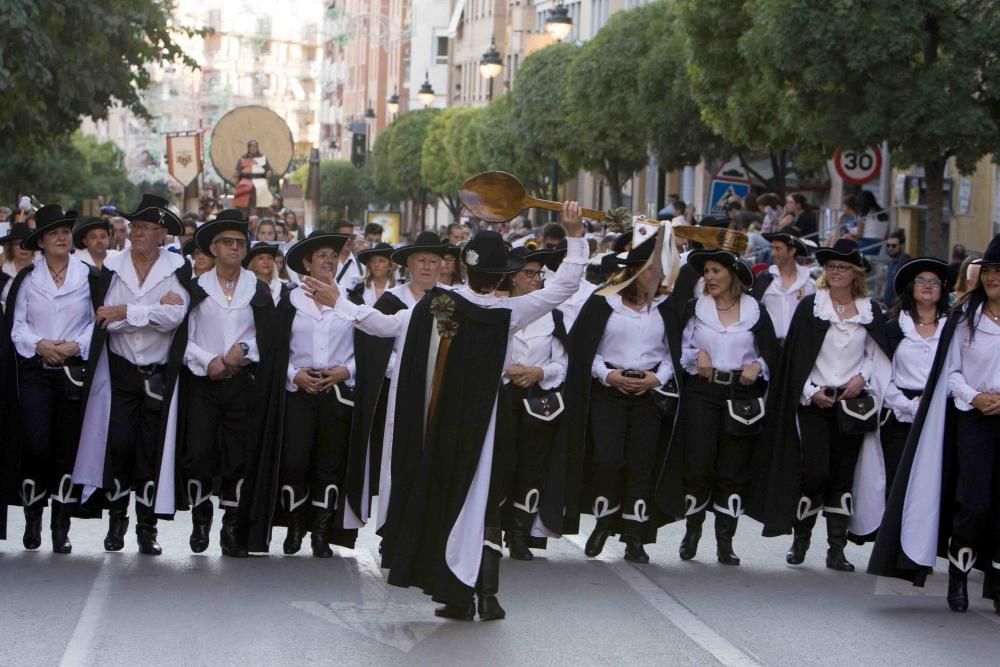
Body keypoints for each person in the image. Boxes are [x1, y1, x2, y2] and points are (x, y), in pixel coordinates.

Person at [308, 203, 587, 621]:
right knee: (483, 504)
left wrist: (339, 303)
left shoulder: (438, 305)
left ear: (463, 266)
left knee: (445, 499)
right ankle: (483, 595)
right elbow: (564, 286)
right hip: (489, 427)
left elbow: (382, 325)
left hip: (436, 427)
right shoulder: (509, 311)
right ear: (503, 276)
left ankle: (458, 593)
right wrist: (575, 233)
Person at [870, 234, 1000, 613]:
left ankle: (996, 579)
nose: (993, 278)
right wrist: (974, 396)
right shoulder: (964, 319)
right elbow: (951, 371)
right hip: (972, 417)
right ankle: (958, 577)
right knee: (972, 500)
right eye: (989, 271)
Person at [750, 238, 891, 572]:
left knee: (842, 476)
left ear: (855, 272)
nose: (836, 272)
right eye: (831, 267)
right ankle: (802, 540)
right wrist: (811, 390)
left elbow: (876, 355)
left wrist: (861, 378)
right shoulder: (811, 306)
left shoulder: (870, 311)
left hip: (851, 405)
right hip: (814, 401)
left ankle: (836, 549)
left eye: (842, 267)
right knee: (815, 472)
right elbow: (797, 357)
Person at [72, 194, 192, 556]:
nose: (137, 233)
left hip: (158, 374)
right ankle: (117, 519)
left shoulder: (176, 267)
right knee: (120, 444)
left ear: (162, 235)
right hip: (120, 370)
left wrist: (127, 310)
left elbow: (175, 318)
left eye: (146, 228)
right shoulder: (111, 265)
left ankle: (146, 526)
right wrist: (148, 311)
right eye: (135, 227)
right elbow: (104, 319)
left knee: (150, 450)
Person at [556, 240, 679, 564]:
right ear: (635, 271)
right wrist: (607, 375)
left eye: (659, 270)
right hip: (608, 390)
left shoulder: (665, 306)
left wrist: (659, 377)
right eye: (651, 269)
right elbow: (584, 349)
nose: (657, 275)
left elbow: (673, 351)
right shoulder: (603, 303)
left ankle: (635, 536)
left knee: (641, 464)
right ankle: (603, 520)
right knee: (607, 459)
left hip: (648, 393)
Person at [247, 231, 357, 558]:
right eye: (321, 256)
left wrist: (346, 370)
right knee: (295, 460)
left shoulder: (351, 301)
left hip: (336, 392)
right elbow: (274, 350)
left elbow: (369, 348)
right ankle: (295, 524)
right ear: (306, 263)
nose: (328, 261)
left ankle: (321, 531)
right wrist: (294, 374)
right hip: (297, 390)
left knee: (329, 463)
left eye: (332, 256)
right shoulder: (288, 302)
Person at [666, 249, 778, 566]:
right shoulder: (695, 308)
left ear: (732, 275)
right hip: (703, 392)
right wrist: (695, 356)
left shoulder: (756, 312)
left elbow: (770, 353)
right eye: (707, 272)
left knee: (733, 469)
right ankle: (693, 529)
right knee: (698, 465)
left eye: (716, 271)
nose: (710, 277)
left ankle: (725, 541)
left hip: (742, 396)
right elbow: (680, 349)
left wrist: (758, 365)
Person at [340, 231, 451, 537]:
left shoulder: (452, 300)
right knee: (395, 459)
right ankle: (393, 527)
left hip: (440, 393)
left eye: (433, 261)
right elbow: (375, 346)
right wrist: (404, 369)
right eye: (421, 261)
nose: (427, 267)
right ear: (409, 265)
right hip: (396, 391)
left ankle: (429, 529)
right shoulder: (392, 301)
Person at [179, 211, 274, 558]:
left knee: (239, 456)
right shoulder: (195, 289)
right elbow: (180, 339)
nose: (235, 248)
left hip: (243, 383)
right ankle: (200, 515)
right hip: (202, 383)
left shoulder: (258, 289)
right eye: (228, 243)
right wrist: (210, 361)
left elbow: (270, 337)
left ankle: (232, 527)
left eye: (240, 243)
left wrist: (243, 351)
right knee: (199, 452)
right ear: (213, 248)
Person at [5, 205, 99, 552]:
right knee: (36, 443)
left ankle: (62, 525)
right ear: (41, 241)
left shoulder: (87, 276)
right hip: (36, 370)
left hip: (74, 372)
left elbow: (96, 322)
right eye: (54, 233)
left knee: (67, 447)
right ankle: (33, 517)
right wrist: (40, 344)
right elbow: (17, 326)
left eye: (65, 231)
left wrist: (75, 344)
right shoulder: (28, 279)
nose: (62, 237)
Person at [501, 245, 568, 561]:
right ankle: (490, 530)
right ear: (512, 277)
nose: (535, 279)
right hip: (502, 398)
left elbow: (563, 364)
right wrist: (508, 370)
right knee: (502, 465)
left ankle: (519, 533)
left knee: (532, 468)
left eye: (539, 274)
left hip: (538, 402)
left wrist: (538, 371)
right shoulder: (499, 308)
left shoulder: (553, 315)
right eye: (529, 273)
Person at [882, 258, 949, 494]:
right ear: (911, 287)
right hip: (902, 415)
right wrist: (907, 405)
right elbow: (883, 377)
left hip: (942, 412)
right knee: (899, 482)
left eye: (934, 282)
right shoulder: (893, 329)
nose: (928, 285)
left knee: (936, 485)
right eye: (921, 280)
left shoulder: (952, 329)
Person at [752, 232, 816, 340]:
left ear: (792, 251)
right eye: (772, 248)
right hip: (771, 348)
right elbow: (753, 313)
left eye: (778, 249)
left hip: (801, 347)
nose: (772, 253)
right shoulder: (764, 279)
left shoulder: (810, 282)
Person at [233, 139, 274, 217]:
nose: (253, 148)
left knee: (262, 188)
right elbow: (238, 170)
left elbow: (268, 169)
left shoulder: (263, 158)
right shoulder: (243, 158)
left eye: (255, 147)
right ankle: (243, 214)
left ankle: (261, 214)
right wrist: (236, 173)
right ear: (248, 148)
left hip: (260, 179)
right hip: (246, 179)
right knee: (242, 188)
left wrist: (269, 172)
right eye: (251, 147)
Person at [346, 242, 395, 306]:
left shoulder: (399, 288)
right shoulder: (359, 289)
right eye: (372, 260)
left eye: (381, 261)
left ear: (390, 266)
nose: (376, 264)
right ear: (369, 265)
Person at [1, 223, 34, 309]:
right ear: (10, 247)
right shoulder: (2, 272)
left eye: (26, 243)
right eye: (18, 243)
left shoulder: (42, 270)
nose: (23, 247)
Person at [881, 230, 912, 309]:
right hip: (889, 308)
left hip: (900, 309)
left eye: (894, 246)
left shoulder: (906, 263)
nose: (890, 248)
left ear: (902, 246)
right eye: (888, 245)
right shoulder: (892, 262)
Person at [856, 191, 889, 257]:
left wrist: (848, 236)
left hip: (866, 244)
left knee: (844, 247)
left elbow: (858, 235)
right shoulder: (884, 214)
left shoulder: (864, 216)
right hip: (878, 245)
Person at [333, 221, 363, 291]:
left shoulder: (362, 266)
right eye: (345, 236)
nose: (349, 240)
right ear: (335, 237)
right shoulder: (327, 263)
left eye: (352, 237)